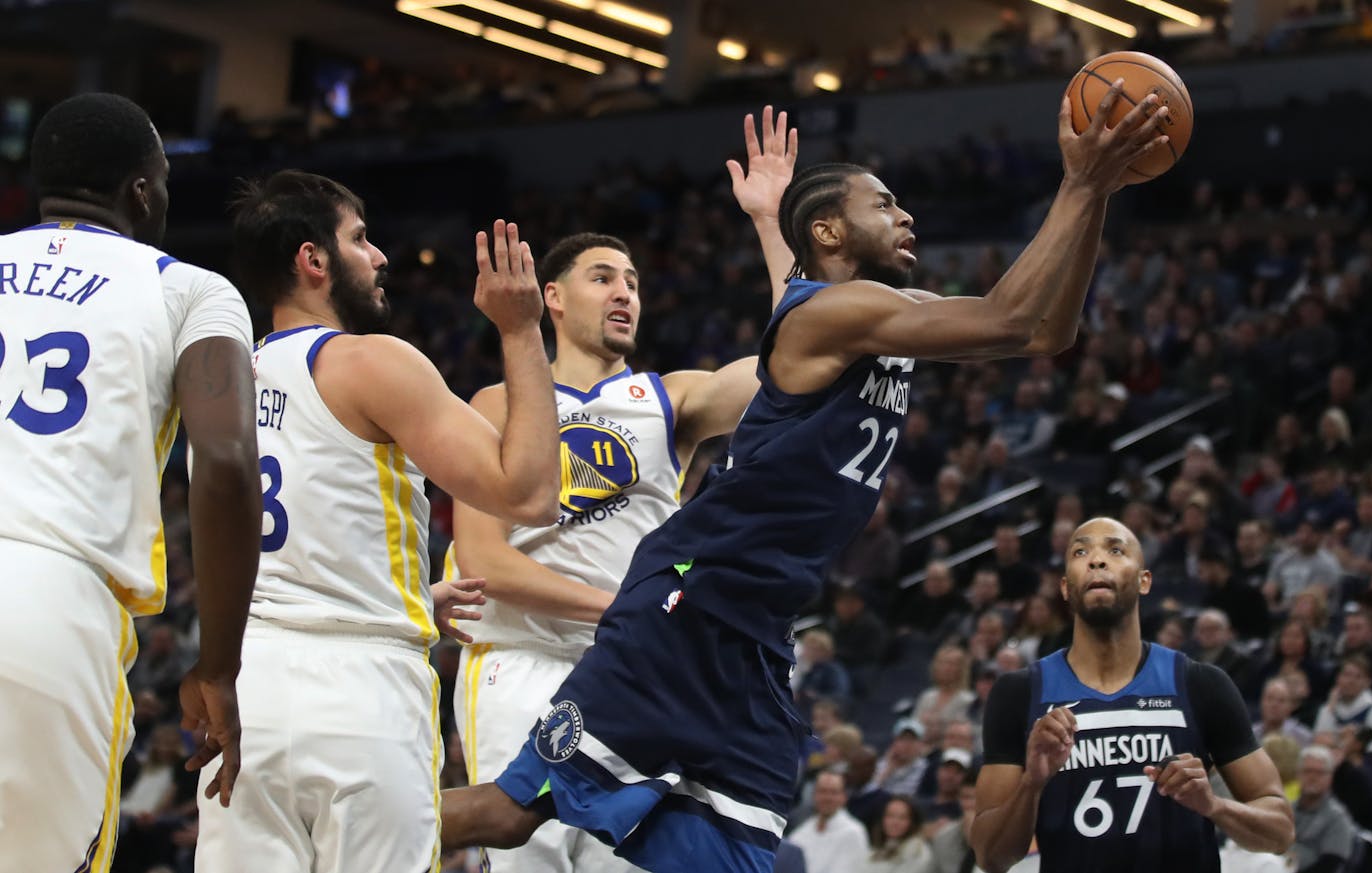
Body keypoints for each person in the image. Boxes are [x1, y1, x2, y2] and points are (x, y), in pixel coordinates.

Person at [440, 82, 1177, 872]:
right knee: (516, 814)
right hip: (688, 603)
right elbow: (1005, 314)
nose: (907, 216)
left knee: (737, 860)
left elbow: (1042, 330)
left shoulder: (881, 311)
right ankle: (329, 833)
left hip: (756, 633)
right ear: (828, 229)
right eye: (884, 202)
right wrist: (1080, 182)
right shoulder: (827, 314)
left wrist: (1098, 194)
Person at [441, 108, 800, 871]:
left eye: (633, 281)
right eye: (602, 276)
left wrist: (771, 223)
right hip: (520, 658)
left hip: (631, 670)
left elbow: (799, 356)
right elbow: (484, 565)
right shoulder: (497, 405)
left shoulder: (669, 400)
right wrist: (626, 609)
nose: (624, 292)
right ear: (553, 299)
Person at [193, 172, 561, 873]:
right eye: (360, 239)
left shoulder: (219, 377)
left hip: (248, 687)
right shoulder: (369, 361)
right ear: (314, 260)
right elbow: (530, 492)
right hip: (361, 692)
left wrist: (409, 597)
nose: (382, 256)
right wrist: (520, 330)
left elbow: (288, 536)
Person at [0, 93, 259, 871]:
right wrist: (217, 664)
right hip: (49, 602)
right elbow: (223, 462)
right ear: (141, 191)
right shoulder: (191, 290)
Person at [970, 517, 1294, 873]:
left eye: (1115, 549)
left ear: (1144, 581)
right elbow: (991, 858)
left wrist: (1213, 806)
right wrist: (1031, 785)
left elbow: (1279, 832)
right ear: (1065, 587)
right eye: (1081, 551)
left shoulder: (1201, 684)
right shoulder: (1019, 693)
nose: (1096, 560)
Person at [785, 771, 871, 873]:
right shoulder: (801, 832)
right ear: (814, 795)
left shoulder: (854, 833)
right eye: (822, 791)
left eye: (833, 792)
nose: (827, 798)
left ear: (844, 797)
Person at [1290, 746, 1358, 873]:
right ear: (1298, 774)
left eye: (1319, 772)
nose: (1313, 777)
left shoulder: (1338, 818)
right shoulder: (1286, 810)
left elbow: (1331, 865)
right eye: (1307, 771)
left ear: (1330, 777)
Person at [865, 795, 937, 873]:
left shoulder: (917, 853)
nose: (894, 822)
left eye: (902, 818)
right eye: (890, 816)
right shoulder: (882, 846)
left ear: (913, 822)